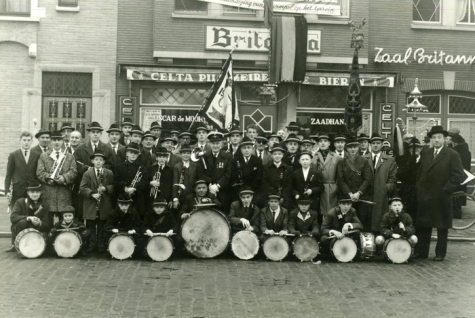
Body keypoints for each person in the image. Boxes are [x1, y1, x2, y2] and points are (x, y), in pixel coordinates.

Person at [414, 126, 465, 261]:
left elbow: (459, 175)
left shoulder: (452, 154)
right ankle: (421, 252)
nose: (436, 140)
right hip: (425, 195)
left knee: (442, 226)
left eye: (439, 138)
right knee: (424, 225)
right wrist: (419, 186)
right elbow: (420, 171)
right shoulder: (426, 152)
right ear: (431, 139)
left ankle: (440, 253)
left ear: (445, 139)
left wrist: (446, 189)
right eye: (434, 138)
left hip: (441, 196)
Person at [361, 133, 398, 232]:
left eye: (378, 143)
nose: (375, 145)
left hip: (381, 196)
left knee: (380, 222)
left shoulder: (389, 160)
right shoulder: (363, 158)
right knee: (366, 223)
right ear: (370, 145)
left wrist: (385, 189)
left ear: (382, 145)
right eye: (373, 143)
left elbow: (392, 178)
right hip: (366, 196)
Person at [79, 151, 114, 253]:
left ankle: (100, 244)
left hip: (104, 203)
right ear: (92, 161)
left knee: (102, 225)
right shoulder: (87, 173)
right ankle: (92, 244)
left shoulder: (109, 173)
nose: (98, 162)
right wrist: (92, 194)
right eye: (96, 160)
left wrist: (106, 188)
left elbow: (114, 186)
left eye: (101, 160)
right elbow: (82, 187)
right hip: (90, 203)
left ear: (103, 162)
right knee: (91, 225)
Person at [36, 131, 78, 217]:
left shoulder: (70, 156)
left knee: (63, 224)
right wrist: (49, 178)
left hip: (64, 194)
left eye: (59, 140)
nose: (57, 142)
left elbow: (74, 172)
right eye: (54, 140)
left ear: (62, 141)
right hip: (48, 194)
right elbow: (39, 172)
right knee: (47, 223)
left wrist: (64, 178)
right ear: (51, 141)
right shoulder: (43, 156)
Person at [6, 181, 51, 252]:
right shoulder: (20, 202)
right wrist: (28, 218)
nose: (35, 194)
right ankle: (18, 245)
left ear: (41, 193)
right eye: (32, 192)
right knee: (22, 222)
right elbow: (13, 217)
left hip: (36, 230)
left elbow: (47, 224)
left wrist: (39, 223)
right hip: (21, 229)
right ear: (28, 193)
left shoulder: (44, 205)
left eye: (37, 192)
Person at [196, 132, 232, 211]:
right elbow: (201, 174)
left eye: (217, 143)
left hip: (222, 191)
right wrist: (210, 185)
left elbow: (228, 174)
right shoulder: (204, 156)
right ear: (209, 144)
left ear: (221, 144)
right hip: (208, 190)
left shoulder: (227, 157)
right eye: (213, 143)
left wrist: (217, 186)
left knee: (223, 212)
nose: (215, 146)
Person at [336, 137, 372, 216]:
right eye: (350, 147)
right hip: (346, 195)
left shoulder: (364, 161)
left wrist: (358, 193)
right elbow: (340, 179)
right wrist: (350, 194)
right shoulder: (341, 162)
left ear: (358, 147)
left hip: (360, 196)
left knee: (360, 218)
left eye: (355, 147)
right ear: (346, 148)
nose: (353, 149)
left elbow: (367, 179)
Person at [5, 131, 41, 211]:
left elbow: (38, 173)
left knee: (31, 212)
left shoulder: (37, 154)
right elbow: (9, 174)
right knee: (17, 212)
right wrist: (7, 190)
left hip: (32, 188)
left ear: (31, 141)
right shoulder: (13, 155)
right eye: (24, 140)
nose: (26, 142)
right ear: (20, 140)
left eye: (28, 140)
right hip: (18, 189)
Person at [114, 142, 149, 219]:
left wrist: (135, 188)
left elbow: (144, 182)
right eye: (131, 152)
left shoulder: (142, 168)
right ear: (127, 153)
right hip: (123, 198)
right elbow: (116, 182)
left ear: (138, 155)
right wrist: (125, 188)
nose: (133, 155)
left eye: (136, 153)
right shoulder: (119, 167)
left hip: (137, 199)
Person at [313, 134, 341, 217]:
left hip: (331, 187)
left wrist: (336, 186)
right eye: (320, 141)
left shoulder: (336, 157)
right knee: (318, 210)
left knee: (330, 211)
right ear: (318, 144)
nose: (323, 143)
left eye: (325, 141)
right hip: (317, 187)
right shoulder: (313, 156)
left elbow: (339, 175)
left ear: (329, 143)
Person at [397, 137, 423, 222]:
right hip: (407, 192)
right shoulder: (404, 161)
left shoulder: (425, 161)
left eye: (417, 148)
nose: (414, 150)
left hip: (420, 193)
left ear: (421, 149)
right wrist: (409, 163)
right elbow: (400, 175)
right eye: (411, 148)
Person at [230, 137, 262, 203]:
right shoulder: (235, 161)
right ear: (241, 149)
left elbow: (259, 177)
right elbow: (233, 176)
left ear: (252, 149)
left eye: (248, 147)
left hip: (253, 190)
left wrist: (249, 189)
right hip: (239, 190)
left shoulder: (258, 160)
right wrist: (241, 189)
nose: (246, 150)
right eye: (244, 148)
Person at [261, 145, 293, 209]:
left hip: (284, 199)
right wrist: (274, 196)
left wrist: (283, 196)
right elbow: (264, 182)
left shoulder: (288, 168)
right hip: (269, 197)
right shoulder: (265, 167)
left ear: (282, 155)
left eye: (279, 154)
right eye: (275, 154)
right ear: (271, 156)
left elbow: (289, 184)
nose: (277, 156)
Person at [451, 133, 472, 219]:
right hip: (464, 175)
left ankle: (455, 213)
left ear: (454, 142)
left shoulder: (454, 151)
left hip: (456, 174)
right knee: (460, 193)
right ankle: (458, 212)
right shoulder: (467, 152)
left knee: (454, 194)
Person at [172, 144, 198, 210]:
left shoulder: (195, 166)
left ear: (190, 154)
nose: (186, 155)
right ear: (180, 154)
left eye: (188, 153)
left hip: (193, 195)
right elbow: (175, 183)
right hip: (181, 196)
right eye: (184, 153)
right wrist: (175, 198)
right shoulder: (177, 166)